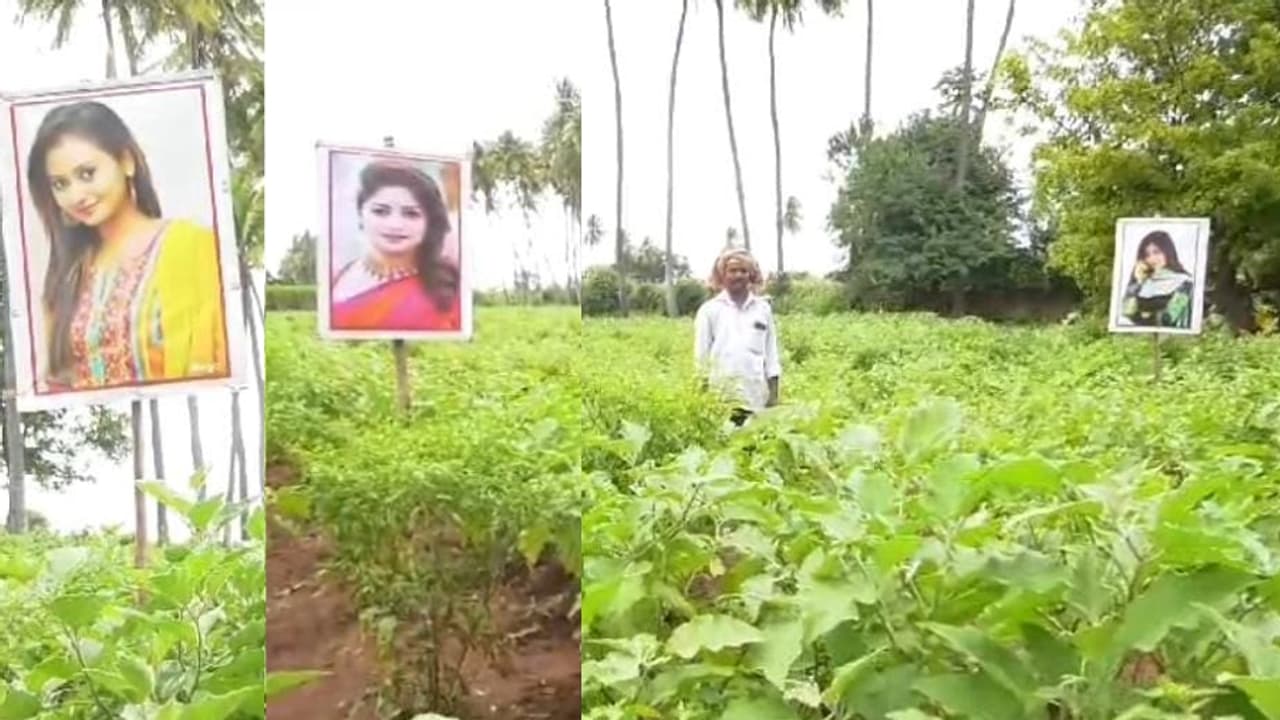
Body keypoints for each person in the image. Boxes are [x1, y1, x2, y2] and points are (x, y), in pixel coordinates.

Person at [27, 100, 228, 392]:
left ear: (126, 161)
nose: (76, 195)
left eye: (87, 173)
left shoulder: (191, 246)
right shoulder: (67, 276)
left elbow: (212, 364)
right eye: (60, 184)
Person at [331, 160, 461, 331]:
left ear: (429, 222)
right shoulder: (337, 278)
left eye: (411, 214)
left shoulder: (447, 288)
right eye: (380, 211)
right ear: (361, 214)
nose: (395, 225)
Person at [694, 248, 781, 426]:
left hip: (756, 397)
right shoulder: (710, 310)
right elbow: (701, 357)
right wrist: (700, 398)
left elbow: (771, 354)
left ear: (751, 275)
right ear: (722, 275)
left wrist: (773, 396)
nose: (738, 275)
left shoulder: (763, 309)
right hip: (721, 398)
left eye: (744, 270)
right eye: (732, 270)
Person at [1121, 230, 1194, 329]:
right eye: (1147, 255)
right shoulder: (1144, 283)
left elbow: (1169, 318)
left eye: (1157, 252)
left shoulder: (1184, 283)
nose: (1152, 259)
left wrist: (1144, 316)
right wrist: (1136, 281)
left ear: (1167, 252)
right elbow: (1127, 312)